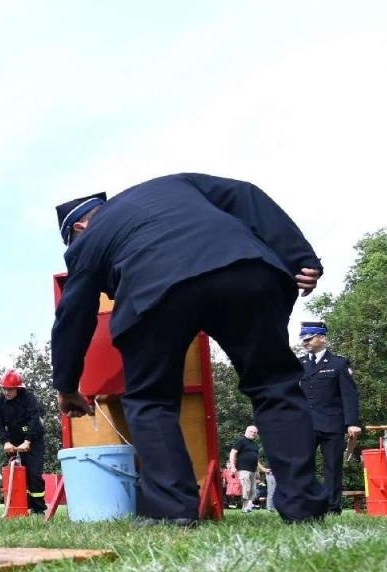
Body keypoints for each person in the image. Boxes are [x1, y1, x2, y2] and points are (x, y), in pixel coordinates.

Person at [51, 174, 329, 524]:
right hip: (244, 268)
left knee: (150, 399)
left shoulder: (88, 239)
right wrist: (298, 255)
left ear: (79, 226)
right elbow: (246, 194)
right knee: (275, 386)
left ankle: (172, 510)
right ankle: (303, 505)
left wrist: (65, 384)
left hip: (154, 290)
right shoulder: (173, 184)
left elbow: (73, 315)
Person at [297, 321, 362, 514]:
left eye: (309, 338)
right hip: (305, 424)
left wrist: (352, 423)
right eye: (303, 339)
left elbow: (349, 395)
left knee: (333, 468)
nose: (305, 342)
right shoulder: (299, 364)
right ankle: (306, 505)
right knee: (302, 466)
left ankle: (332, 507)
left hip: (332, 424)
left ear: (322, 338)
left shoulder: (339, 364)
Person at [0, 369, 47, 515]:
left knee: (34, 474)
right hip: (13, 441)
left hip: (34, 439)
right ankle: (19, 507)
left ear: (18, 388)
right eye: (4, 388)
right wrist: (5, 442)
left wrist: (28, 440)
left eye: (10, 389)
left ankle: (38, 509)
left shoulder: (28, 397)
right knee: (14, 474)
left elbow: (34, 420)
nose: (6, 392)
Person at [229, 425, 263, 512]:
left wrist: (258, 471)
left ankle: (249, 506)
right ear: (246, 431)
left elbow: (256, 458)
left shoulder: (254, 444)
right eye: (251, 432)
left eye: (255, 432)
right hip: (243, 469)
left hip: (253, 470)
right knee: (246, 488)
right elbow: (233, 453)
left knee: (252, 490)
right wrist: (233, 466)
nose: (253, 434)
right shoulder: (241, 441)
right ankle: (244, 508)